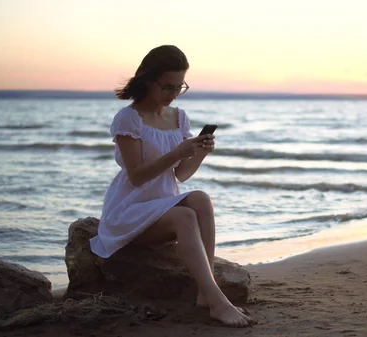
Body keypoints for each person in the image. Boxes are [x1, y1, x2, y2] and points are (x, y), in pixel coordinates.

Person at [89, 45, 256, 328]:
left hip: (162, 204)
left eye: (180, 87)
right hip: (130, 210)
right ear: (147, 80)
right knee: (185, 215)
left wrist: (199, 151)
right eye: (168, 86)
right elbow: (138, 176)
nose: (174, 94)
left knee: (201, 198)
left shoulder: (178, 117)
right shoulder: (128, 118)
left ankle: (207, 290)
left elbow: (180, 176)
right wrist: (178, 151)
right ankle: (218, 301)